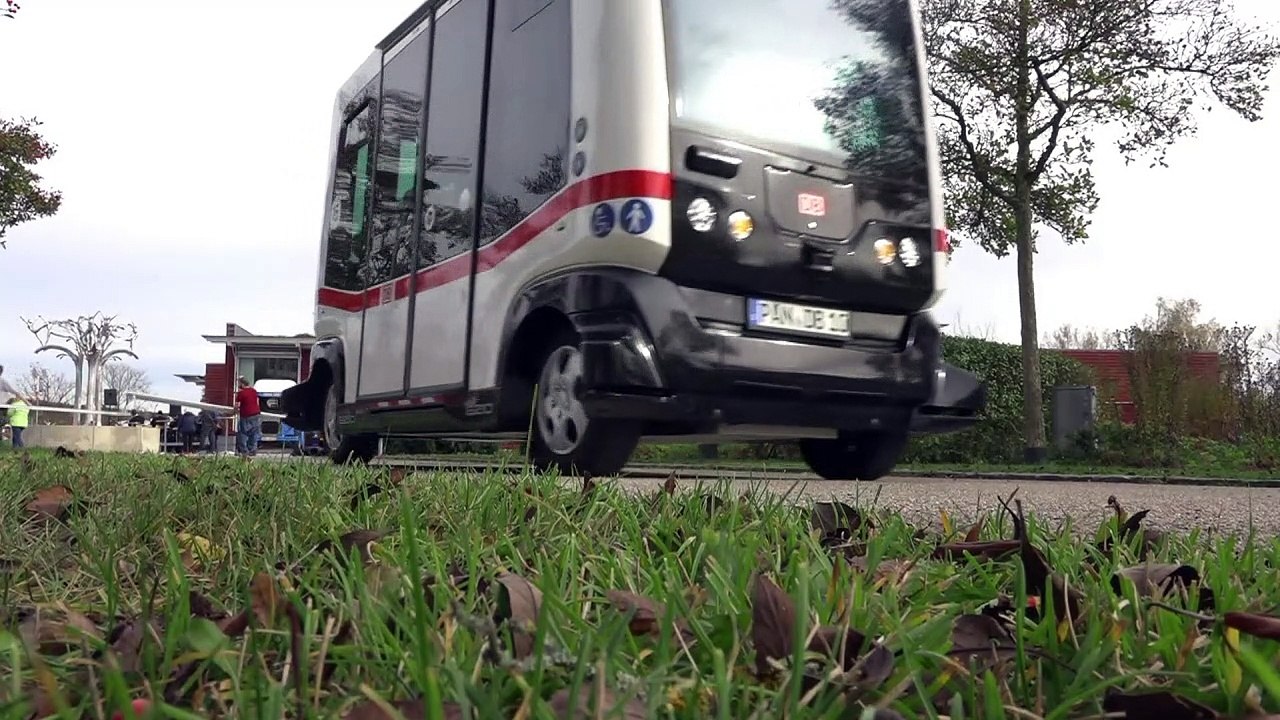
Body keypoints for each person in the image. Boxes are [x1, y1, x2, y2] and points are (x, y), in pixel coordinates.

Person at [234, 376, 262, 457]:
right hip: (256, 414)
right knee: (254, 433)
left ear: (242, 384)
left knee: (242, 433)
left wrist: (234, 412)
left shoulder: (241, 393)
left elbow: (237, 406)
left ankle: (244, 451)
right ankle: (252, 450)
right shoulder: (254, 391)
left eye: (239, 383)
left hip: (246, 415)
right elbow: (257, 402)